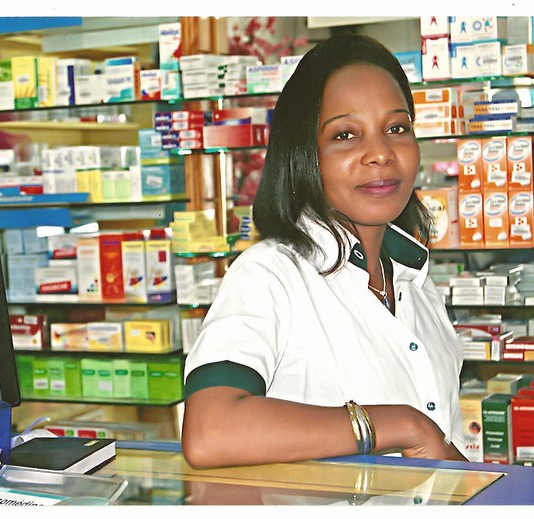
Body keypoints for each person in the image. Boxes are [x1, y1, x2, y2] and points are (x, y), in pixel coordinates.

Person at [181, 33, 467, 469]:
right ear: (304, 155)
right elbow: (210, 431)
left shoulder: (416, 282)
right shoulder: (269, 274)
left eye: (397, 128)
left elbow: (443, 447)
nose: (380, 154)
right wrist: (400, 425)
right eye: (345, 134)